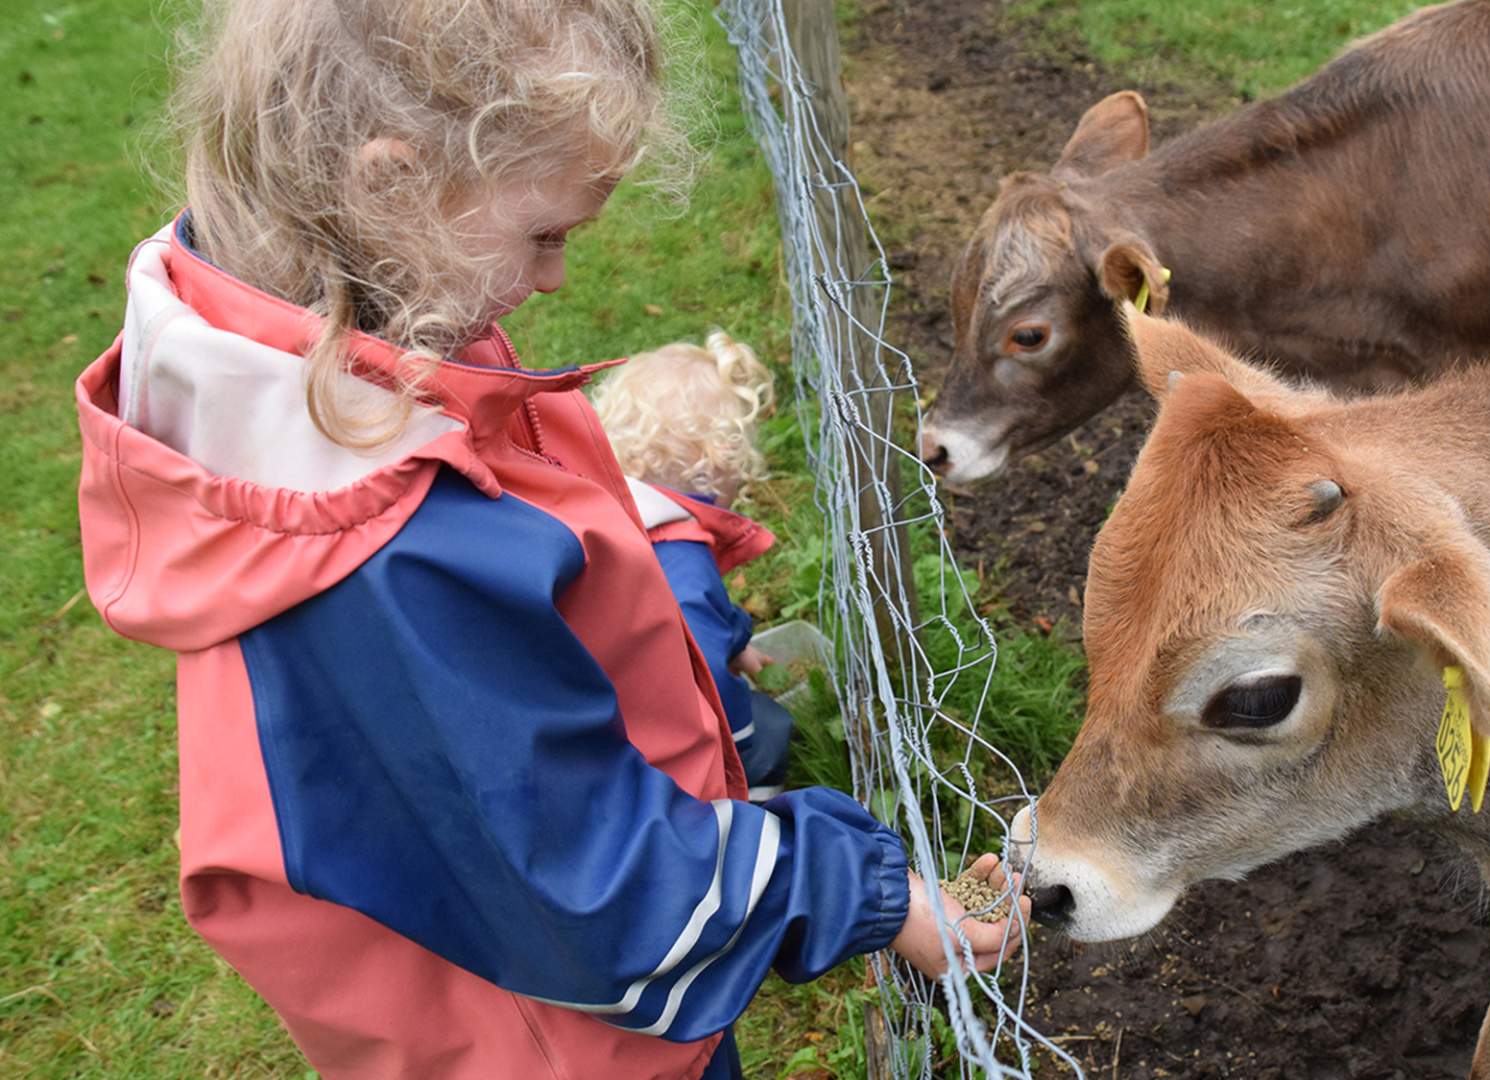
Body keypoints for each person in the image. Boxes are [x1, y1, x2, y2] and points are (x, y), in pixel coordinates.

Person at [71, 2, 1025, 1077]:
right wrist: (869, 893)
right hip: (566, 1043)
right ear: (389, 187)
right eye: (548, 235)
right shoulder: (395, 548)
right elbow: (596, 890)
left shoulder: (337, 357)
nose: (559, 277)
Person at [591, 330, 795, 802]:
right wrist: (738, 744)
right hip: (663, 740)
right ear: (713, 460)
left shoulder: (621, 512)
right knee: (771, 729)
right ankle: (749, 815)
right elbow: (702, 657)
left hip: (612, 698)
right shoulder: (681, 562)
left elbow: (695, 619)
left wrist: (737, 640)